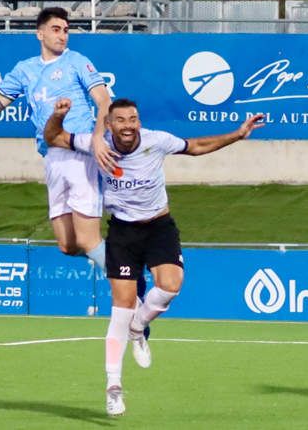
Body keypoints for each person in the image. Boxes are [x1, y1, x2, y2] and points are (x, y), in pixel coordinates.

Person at [44, 97, 264, 416]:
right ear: (109, 125)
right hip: (123, 232)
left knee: (171, 286)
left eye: (133, 119)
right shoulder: (98, 145)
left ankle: (140, 326)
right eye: (120, 120)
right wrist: (57, 115)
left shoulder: (156, 141)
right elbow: (53, 137)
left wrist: (237, 134)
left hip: (159, 226)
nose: (128, 125)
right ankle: (113, 387)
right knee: (119, 309)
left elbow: (197, 146)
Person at [0, 6, 115, 269]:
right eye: (56, 29)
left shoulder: (77, 61)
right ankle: (118, 262)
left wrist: (97, 137)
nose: (63, 36)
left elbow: (104, 100)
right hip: (51, 156)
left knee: (87, 238)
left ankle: (130, 285)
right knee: (67, 245)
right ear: (40, 34)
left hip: (80, 152)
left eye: (66, 31)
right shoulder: (25, 70)